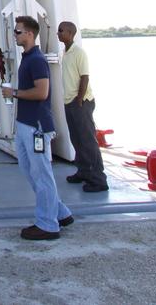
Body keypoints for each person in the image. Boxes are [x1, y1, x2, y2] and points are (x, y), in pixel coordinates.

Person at [2, 15, 74, 240]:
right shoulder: (28, 58)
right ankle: (61, 212)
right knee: (29, 169)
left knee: (41, 174)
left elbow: (42, 92)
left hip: (36, 126)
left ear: (30, 34)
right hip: (26, 124)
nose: (15, 34)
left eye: (18, 31)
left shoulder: (36, 60)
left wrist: (13, 93)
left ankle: (47, 224)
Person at [58, 21, 109, 192]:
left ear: (71, 33)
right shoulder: (65, 52)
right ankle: (83, 171)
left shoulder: (79, 53)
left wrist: (79, 99)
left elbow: (84, 77)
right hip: (69, 101)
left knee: (87, 141)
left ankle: (98, 179)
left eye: (61, 30)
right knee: (76, 139)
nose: (58, 33)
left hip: (80, 102)